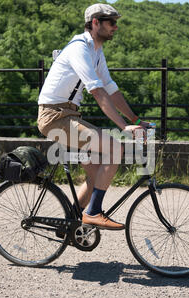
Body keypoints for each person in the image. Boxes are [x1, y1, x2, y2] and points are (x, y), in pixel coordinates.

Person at [37, 3, 148, 230]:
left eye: (116, 22)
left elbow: (110, 89)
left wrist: (135, 121)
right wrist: (122, 126)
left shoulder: (96, 51)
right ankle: (94, 212)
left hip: (68, 116)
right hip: (54, 117)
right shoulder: (79, 48)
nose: (115, 27)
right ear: (95, 23)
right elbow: (96, 91)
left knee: (97, 173)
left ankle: (67, 225)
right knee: (116, 148)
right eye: (111, 22)